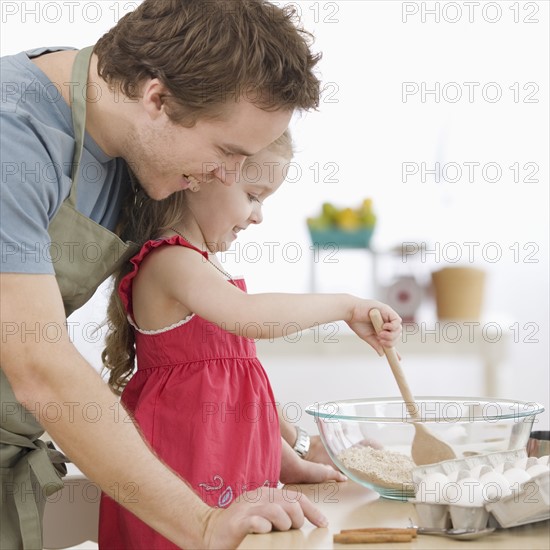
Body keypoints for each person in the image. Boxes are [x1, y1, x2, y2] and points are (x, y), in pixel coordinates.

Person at [0, 1, 338, 548]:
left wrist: (278, 446)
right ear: (157, 98)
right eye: (227, 153)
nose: (224, 178)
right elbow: (40, 365)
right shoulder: (12, 135)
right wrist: (203, 522)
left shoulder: (137, 155)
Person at [97, 130, 402, 548]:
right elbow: (251, 318)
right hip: (185, 479)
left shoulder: (206, 270)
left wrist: (294, 458)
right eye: (254, 195)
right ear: (201, 175)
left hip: (222, 478)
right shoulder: (171, 261)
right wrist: (345, 305)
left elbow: (239, 395)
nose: (258, 216)